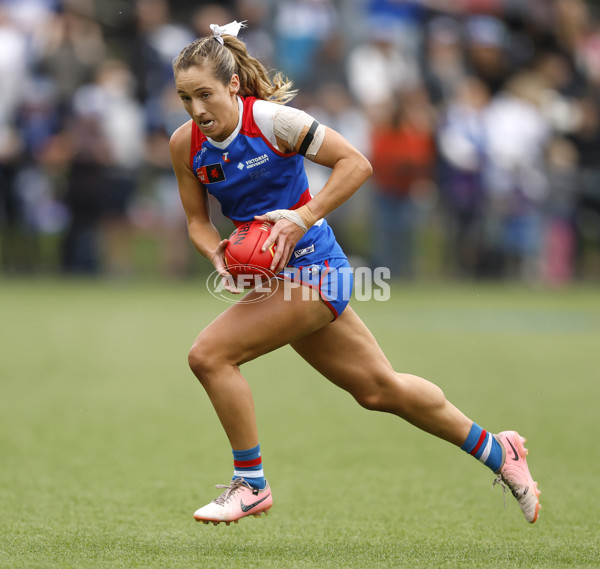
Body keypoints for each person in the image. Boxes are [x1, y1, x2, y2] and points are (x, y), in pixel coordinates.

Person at [169, 21, 541, 526]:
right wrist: (217, 254)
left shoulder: (276, 122)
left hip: (317, 269)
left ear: (233, 84)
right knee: (379, 389)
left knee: (209, 356)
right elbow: (196, 220)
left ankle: (250, 484)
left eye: (205, 94)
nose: (196, 109)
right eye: (185, 97)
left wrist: (302, 217)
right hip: (276, 283)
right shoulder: (184, 143)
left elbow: (356, 164)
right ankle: (500, 452)